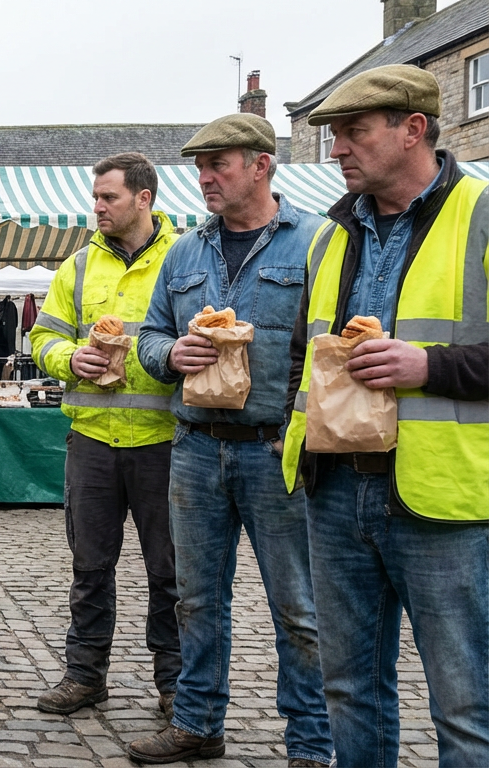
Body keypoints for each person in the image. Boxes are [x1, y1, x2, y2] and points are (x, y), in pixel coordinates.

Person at [282, 65, 489, 767]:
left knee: (466, 704)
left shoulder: (482, 211)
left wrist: (428, 366)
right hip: (336, 492)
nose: (337, 147)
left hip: (443, 501)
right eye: (334, 134)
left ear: (413, 129)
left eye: (353, 132)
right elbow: (301, 358)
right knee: (349, 689)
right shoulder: (330, 235)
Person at [133, 115, 332, 767]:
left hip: (276, 450)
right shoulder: (185, 252)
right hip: (194, 449)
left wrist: (301, 431)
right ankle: (197, 724)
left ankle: (309, 740)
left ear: (262, 165)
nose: (205, 177)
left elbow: (327, 349)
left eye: (218, 164)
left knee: (297, 607)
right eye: (200, 166)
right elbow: (148, 336)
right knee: (195, 598)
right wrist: (172, 353)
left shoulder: (316, 242)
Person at [28, 153, 181, 718]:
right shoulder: (77, 267)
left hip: (163, 440)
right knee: (90, 567)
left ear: (144, 198)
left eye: (108, 197)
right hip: (92, 440)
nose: (97, 207)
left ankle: (174, 684)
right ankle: (85, 674)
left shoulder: (182, 258)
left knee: (170, 572)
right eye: (95, 198)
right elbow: (41, 340)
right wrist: (71, 359)